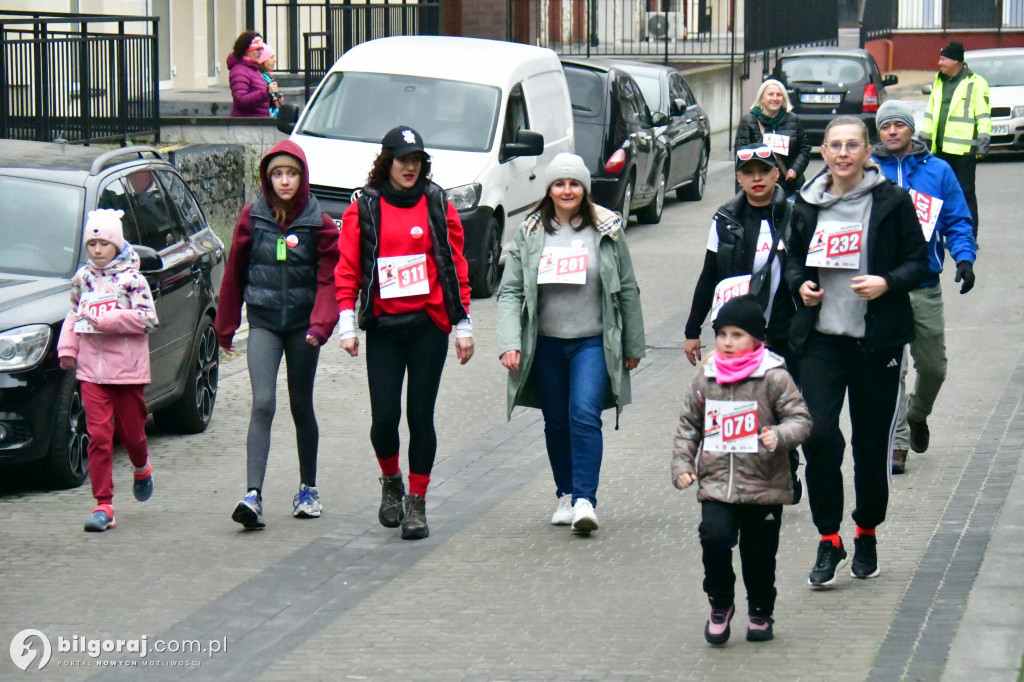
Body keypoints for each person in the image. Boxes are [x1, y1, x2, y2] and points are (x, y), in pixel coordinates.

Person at [785, 116, 929, 588]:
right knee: (819, 436)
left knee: (871, 446)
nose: (843, 153)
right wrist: (800, 286)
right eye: (835, 145)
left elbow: (919, 261)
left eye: (853, 145)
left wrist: (886, 282)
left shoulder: (891, 201)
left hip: (876, 341)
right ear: (823, 152)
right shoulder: (806, 202)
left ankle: (866, 530)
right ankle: (830, 538)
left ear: (868, 152)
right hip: (822, 341)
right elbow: (791, 260)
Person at [335, 126, 474, 541]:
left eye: (416, 160)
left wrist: (463, 321)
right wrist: (346, 321)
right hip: (384, 326)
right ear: (387, 162)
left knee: (420, 416)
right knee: (384, 418)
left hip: (428, 324)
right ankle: (390, 480)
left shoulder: (436, 202)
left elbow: (455, 263)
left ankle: (416, 500)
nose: (409, 167)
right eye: (402, 160)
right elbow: (346, 267)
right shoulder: (365, 207)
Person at [496, 152, 646, 535]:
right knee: (556, 421)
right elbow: (510, 292)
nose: (567, 190)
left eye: (575, 183)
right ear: (549, 189)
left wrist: (633, 344)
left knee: (583, 413)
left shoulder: (608, 228)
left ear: (585, 189)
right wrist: (509, 342)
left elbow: (627, 288)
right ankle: (565, 492)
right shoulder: (530, 232)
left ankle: (585, 500)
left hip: (593, 342)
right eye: (560, 184)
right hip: (544, 343)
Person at [672, 295, 811, 645]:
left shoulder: (774, 377)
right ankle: (720, 602)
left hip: (764, 484)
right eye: (722, 335)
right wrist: (682, 464)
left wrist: (778, 436)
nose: (728, 342)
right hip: (717, 483)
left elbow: (801, 419)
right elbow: (689, 425)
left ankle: (761, 610)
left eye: (737, 335)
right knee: (714, 537)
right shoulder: (707, 378)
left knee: (759, 555)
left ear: (756, 340)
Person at [217, 140, 340, 529]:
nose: (285, 181)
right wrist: (226, 326)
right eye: (277, 174)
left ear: (302, 178)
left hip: (305, 328)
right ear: (267, 179)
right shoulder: (252, 217)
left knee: (301, 405)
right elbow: (234, 272)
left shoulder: (317, 222)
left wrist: (321, 325)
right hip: (265, 324)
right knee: (264, 402)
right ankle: (252, 495)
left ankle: (308, 489)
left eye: (291, 173)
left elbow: (330, 277)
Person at [684, 143, 802, 501]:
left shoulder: (797, 215)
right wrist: (692, 330)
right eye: (748, 173)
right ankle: (750, 480)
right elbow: (708, 277)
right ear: (738, 177)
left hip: (786, 328)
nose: (756, 179)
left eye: (763, 171)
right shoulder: (725, 219)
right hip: (740, 335)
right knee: (746, 405)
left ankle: (787, 464)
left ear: (776, 174)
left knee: (781, 404)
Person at [871, 100, 977, 474]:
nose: (893, 131)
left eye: (899, 124)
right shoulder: (869, 172)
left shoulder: (938, 171)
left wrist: (964, 258)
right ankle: (897, 444)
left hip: (924, 283)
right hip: (883, 288)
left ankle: (918, 414)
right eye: (886, 126)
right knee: (892, 367)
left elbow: (957, 219)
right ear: (879, 132)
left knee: (933, 367)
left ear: (911, 129)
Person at [57, 209, 159, 532]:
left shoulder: (133, 280)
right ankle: (104, 505)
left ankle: (141, 467)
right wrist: (67, 348)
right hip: (91, 372)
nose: (97, 250)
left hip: (127, 370)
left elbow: (148, 319)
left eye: (103, 243)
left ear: (116, 244)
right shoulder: (82, 280)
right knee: (99, 437)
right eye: (92, 244)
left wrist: (111, 320)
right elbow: (74, 314)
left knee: (132, 434)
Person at [919, 40, 991, 239]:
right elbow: (930, 114)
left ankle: (968, 236)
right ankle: (938, 235)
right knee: (936, 194)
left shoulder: (976, 83)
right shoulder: (939, 81)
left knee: (966, 193)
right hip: (938, 148)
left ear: (956, 61)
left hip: (963, 150)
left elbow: (983, 115)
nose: (939, 62)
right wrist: (923, 142)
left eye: (943, 58)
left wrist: (983, 142)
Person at [734, 79, 811, 197]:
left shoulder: (793, 120)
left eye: (779, 95)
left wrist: (795, 169)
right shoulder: (748, 121)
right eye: (770, 94)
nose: (775, 98)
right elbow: (741, 159)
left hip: (789, 186)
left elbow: (804, 148)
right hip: (760, 189)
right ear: (762, 98)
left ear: (783, 99)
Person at [228, 31, 272, 118]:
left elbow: (258, 97)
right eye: (257, 50)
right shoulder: (239, 71)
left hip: (257, 121)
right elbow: (240, 100)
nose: (260, 53)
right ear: (246, 50)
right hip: (246, 124)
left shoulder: (253, 70)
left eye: (261, 49)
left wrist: (272, 100)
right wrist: (266, 92)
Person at [256, 44, 283, 118]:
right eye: (271, 58)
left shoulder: (267, 76)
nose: (275, 60)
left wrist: (277, 98)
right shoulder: (259, 78)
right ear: (262, 60)